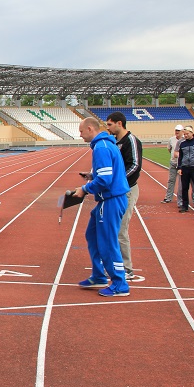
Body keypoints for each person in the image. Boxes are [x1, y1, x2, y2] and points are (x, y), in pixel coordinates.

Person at [73, 117, 130, 297]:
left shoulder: (101, 148)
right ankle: (99, 276)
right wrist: (91, 175)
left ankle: (120, 284)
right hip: (110, 199)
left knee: (107, 242)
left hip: (111, 200)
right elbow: (106, 174)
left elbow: (105, 180)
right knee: (92, 234)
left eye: (81, 132)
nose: (80, 135)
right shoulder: (104, 145)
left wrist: (84, 189)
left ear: (90, 129)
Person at [105, 112, 142, 279]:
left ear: (119, 123)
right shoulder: (115, 142)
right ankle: (115, 264)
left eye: (110, 124)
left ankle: (127, 269)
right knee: (112, 228)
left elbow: (135, 165)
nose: (107, 128)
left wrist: (117, 180)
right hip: (116, 190)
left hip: (127, 190)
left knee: (121, 230)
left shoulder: (131, 141)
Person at [162, 125, 184, 204]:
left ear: (182, 131)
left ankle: (181, 199)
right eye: (176, 130)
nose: (177, 132)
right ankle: (168, 197)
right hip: (173, 163)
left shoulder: (184, 140)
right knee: (171, 180)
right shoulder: (171, 139)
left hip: (182, 164)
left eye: (178, 131)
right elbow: (169, 149)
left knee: (181, 182)